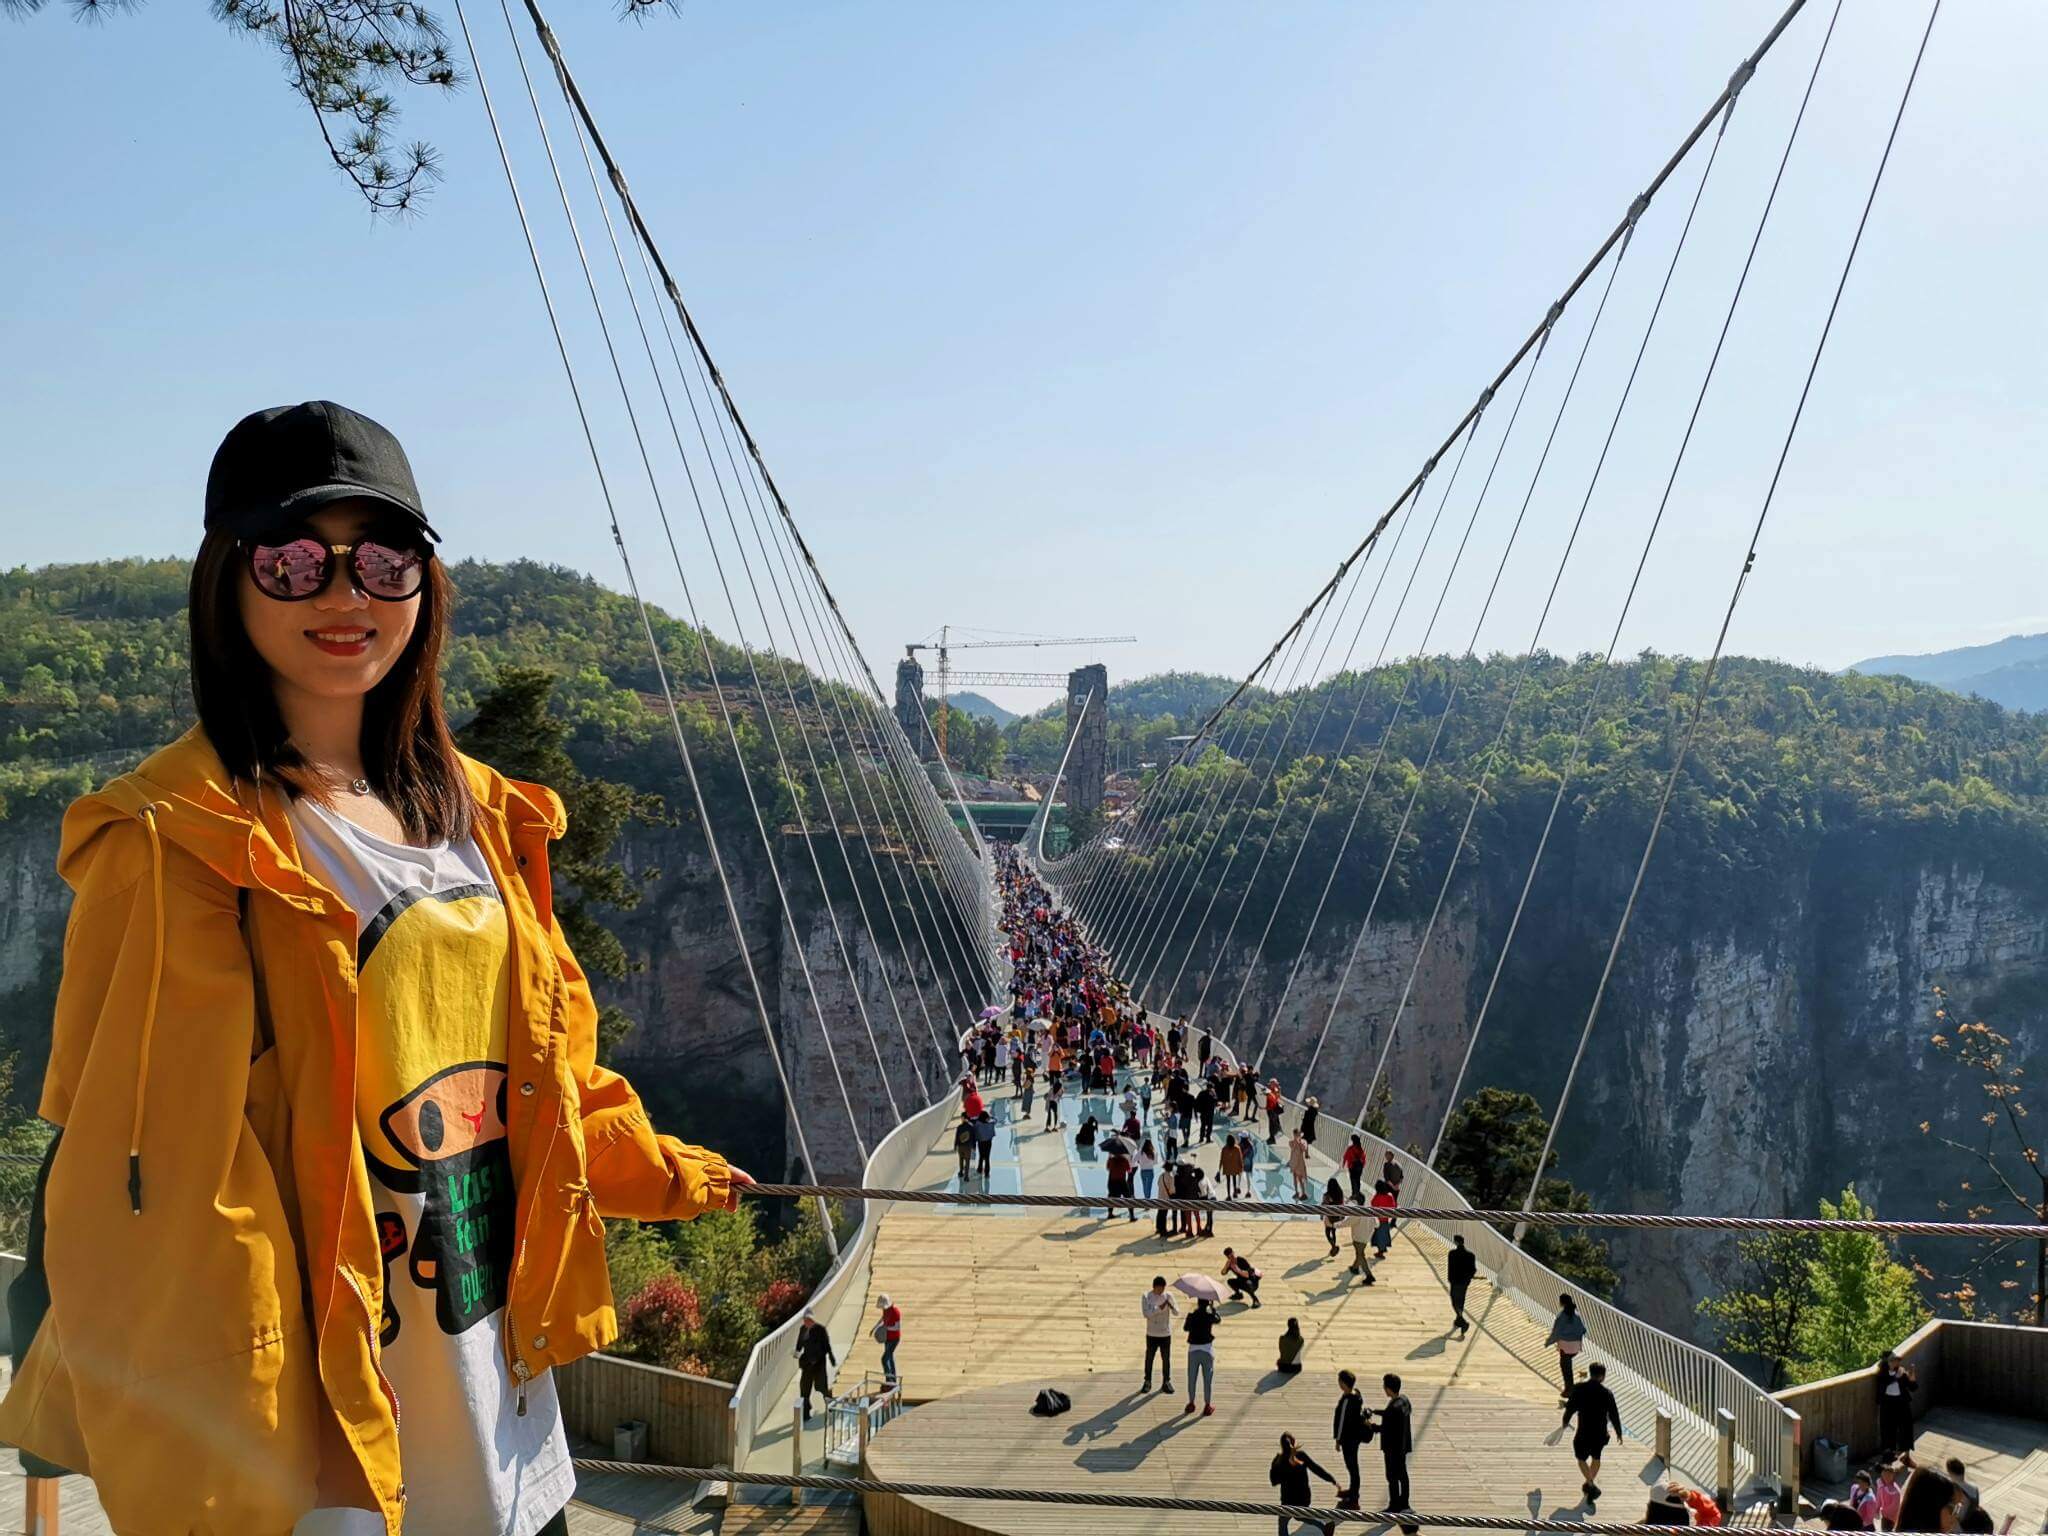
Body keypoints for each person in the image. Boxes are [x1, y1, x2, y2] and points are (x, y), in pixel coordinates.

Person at [0, 402, 750, 1536]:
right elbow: (151, 1172)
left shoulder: (483, 814)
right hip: (318, 1443)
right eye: (295, 561)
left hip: (506, 1400)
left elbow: (541, 1080)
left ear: (424, 584)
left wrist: (666, 1174)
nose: (346, 595)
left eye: (383, 560)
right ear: (228, 584)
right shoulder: (172, 839)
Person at [1562, 1360, 1623, 1503]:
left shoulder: (1579, 1389)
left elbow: (1570, 1407)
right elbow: (1614, 1414)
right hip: (1600, 1432)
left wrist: (1565, 1421)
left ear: (1591, 1373)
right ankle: (1589, 1485)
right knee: (1596, 1457)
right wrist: (1619, 1432)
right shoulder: (1606, 1393)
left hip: (1583, 1430)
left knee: (1581, 1458)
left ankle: (1590, 1485)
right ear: (1602, 1376)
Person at [1270, 1431, 1338, 1536]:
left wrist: (1274, 1466)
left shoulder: (1280, 1461)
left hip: (1288, 1500)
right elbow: (1315, 1468)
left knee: (1283, 1522)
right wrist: (1330, 1479)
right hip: (1303, 1498)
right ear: (1294, 1442)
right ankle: (1324, 1527)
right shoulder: (1300, 1456)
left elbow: (1274, 1481)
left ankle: (1324, 1527)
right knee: (1301, 1516)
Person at [1379, 1373, 1416, 1526]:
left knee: (1392, 1476)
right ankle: (1404, 1504)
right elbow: (1390, 1416)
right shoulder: (1404, 1401)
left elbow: (1384, 1428)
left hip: (1392, 1449)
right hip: (1403, 1446)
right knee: (1403, 1474)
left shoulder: (1393, 1408)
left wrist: (1370, 1426)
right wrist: (1377, 1412)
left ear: (1388, 1388)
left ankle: (1394, 1505)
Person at [1333, 1369, 1370, 1506]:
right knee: (1353, 1467)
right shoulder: (1357, 1395)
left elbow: (1341, 1421)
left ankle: (1354, 1498)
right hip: (1355, 1438)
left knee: (1352, 1467)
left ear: (1343, 1383)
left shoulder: (1347, 1400)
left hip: (1348, 1439)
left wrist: (1337, 1440)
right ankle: (1353, 1491)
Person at [796, 1311, 836, 1422]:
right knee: (804, 1389)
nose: (806, 1322)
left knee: (821, 1387)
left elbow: (826, 1345)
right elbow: (799, 1343)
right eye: (805, 1320)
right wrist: (797, 1351)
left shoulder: (820, 1330)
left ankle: (831, 1405)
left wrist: (831, 1357)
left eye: (808, 1320)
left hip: (818, 1364)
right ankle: (805, 1413)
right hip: (807, 1365)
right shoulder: (803, 1329)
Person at [1876, 1351, 1918, 1458]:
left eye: (1897, 1360)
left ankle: (1906, 1454)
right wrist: (1896, 1377)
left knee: (1906, 1428)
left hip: (1902, 1402)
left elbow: (1913, 1388)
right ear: (1887, 1363)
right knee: (1888, 1429)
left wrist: (1912, 1380)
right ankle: (1889, 1454)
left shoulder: (1901, 1372)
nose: (1896, 1363)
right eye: (1893, 1361)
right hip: (1888, 1404)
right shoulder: (1882, 1374)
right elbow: (1883, 1385)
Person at [1546, 1294, 1589, 1398]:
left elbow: (1556, 1332)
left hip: (1565, 1346)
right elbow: (1583, 1330)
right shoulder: (1577, 1315)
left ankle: (1569, 1389)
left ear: (1562, 1303)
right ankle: (1569, 1388)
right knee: (1567, 1364)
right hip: (1575, 1347)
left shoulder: (1561, 1316)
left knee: (1565, 1367)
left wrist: (1548, 1342)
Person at [1184, 1297, 1220, 1416]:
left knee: (1192, 1378)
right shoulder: (1209, 1317)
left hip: (1193, 1350)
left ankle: (1191, 1403)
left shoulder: (1192, 1316)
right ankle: (1207, 1405)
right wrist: (1213, 1309)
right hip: (1207, 1350)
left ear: (1198, 1304)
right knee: (1207, 1380)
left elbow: (1185, 1328)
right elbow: (1218, 1320)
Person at [1142, 1276, 1177, 1394]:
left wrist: (1171, 1306)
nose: (1161, 1291)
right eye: (1159, 1289)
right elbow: (1146, 1314)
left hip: (1165, 1333)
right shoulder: (1147, 1296)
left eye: (1163, 1288)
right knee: (1149, 1358)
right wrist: (1159, 1308)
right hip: (1152, 1333)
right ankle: (1147, 1381)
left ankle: (1166, 1381)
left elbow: (1177, 1312)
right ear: (1154, 1287)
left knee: (1166, 1359)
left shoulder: (1168, 1296)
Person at [1446, 1234, 1476, 1336]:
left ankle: (1463, 1322)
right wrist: (1468, 1278)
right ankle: (1458, 1320)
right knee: (1461, 1300)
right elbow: (1473, 1270)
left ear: (1456, 1242)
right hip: (1464, 1282)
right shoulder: (1470, 1255)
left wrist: (1450, 1279)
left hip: (1455, 1281)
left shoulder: (1452, 1254)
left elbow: (1450, 1267)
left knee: (1454, 1301)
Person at [875, 1295, 903, 1386]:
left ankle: (889, 1380)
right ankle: (893, 1379)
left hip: (894, 1339)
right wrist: (875, 1327)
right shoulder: (886, 1310)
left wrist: (886, 1328)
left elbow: (897, 1327)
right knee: (890, 1358)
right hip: (888, 1338)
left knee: (884, 1359)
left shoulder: (896, 1312)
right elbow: (883, 1318)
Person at [1347, 1207, 1376, 1284]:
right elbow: (1377, 1224)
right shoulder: (1370, 1213)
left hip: (1357, 1238)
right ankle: (1355, 1268)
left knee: (1360, 1255)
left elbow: (1347, 1222)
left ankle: (1369, 1276)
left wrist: (1334, 1225)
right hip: (1366, 1238)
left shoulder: (1357, 1213)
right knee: (1359, 1254)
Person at [1321, 1177, 1347, 1256]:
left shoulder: (1327, 1195)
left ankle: (1333, 1246)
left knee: (1327, 1232)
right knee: (1333, 1231)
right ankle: (1333, 1247)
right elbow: (1342, 1204)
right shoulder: (1340, 1193)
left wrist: (1321, 1215)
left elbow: (1323, 1205)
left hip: (1329, 1216)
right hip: (1337, 1215)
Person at [1289, 1129, 1312, 1201]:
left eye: (1297, 1134)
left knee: (1300, 1178)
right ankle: (1296, 1192)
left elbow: (1304, 1148)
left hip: (1299, 1162)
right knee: (1294, 1177)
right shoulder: (1291, 1142)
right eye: (1295, 1134)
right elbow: (1292, 1147)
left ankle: (1303, 1193)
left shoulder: (1303, 1142)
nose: (1296, 1135)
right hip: (1293, 1162)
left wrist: (1300, 1143)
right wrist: (1297, 1141)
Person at [1342, 1135, 1368, 1201]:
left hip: (1352, 1168)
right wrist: (1362, 1166)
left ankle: (1354, 1194)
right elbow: (1364, 1159)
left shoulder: (1350, 1148)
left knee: (1353, 1181)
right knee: (1358, 1180)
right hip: (1359, 1168)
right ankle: (1358, 1194)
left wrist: (1343, 1164)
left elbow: (1345, 1156)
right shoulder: (1360, 1149)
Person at [1221, 1134, 1246, 1198]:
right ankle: (1235, 1193)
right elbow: (1240, 1158)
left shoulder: (1224, 1148)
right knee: (1234, 1180)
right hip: (1235, 1167)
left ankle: (1228, 1195)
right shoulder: (1237, 1148)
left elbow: (1222, 1159)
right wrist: (1241, 1167)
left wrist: (1219, 1168)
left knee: (1228, 1181)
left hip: (1227, 1167)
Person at [973, 1109, 996, 1179]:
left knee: (981, 1156)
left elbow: (974, 1122)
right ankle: (987, 1173)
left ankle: (979, 1169)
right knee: (987, 1157)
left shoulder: (977, 1124)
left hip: (981, 1142)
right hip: (988, 1142)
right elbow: (995, 1119)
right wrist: (991, 1117)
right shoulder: (991, 1123)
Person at [1137, 1137, 1160, 1201]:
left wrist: (1140, 1162)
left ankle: (1146, 1198)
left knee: (1144, 1186)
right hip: (1150, 1170)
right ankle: (1147, 1199)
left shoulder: (1140, 1152)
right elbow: (1155, 1163)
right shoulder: (1153, 1152)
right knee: (1149, 1186)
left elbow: (1135, 1160)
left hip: (1143, 1171)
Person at [955, 1116, 976, 1180]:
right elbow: (973, 1137)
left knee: (961, 1159)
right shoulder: (971, 1127)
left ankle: (961, 1172)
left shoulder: (959, 1127)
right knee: (967, 1161)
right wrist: (974, 1146)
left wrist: (955, 1145)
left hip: (960, 1146)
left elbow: (957, 1137)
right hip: (967, 1146)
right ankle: (966, 1176)